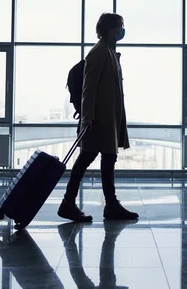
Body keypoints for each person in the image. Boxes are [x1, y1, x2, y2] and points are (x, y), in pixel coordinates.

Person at [58, 13, 139, 222]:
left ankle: (108, 204)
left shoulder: (109, 52)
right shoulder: (99, 53)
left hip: (107, 118)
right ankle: (72, 203)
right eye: (120, 26)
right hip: (98, 120)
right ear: (110, 29)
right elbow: (88, 89)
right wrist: (87, 118)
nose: (122, 30)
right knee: (88, 158)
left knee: (104, 158)